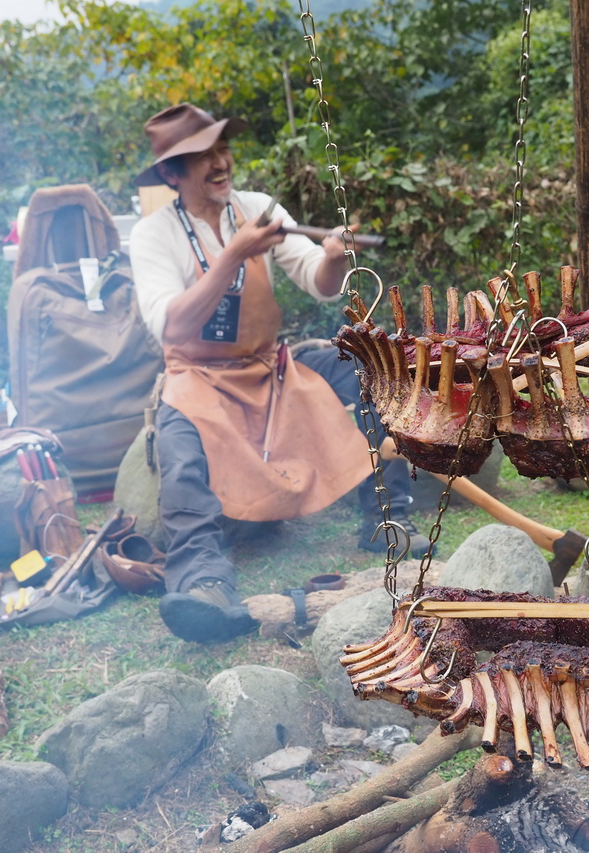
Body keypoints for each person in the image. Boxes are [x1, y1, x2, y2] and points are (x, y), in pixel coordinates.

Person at [129, 103, 429, 643]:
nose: (220, 163)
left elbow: (319, 279)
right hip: (198, 376)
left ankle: (389, 520)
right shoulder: (153, 235)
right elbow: (170, 325)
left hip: (270, 367)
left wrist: (335, 256)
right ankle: (202, 579)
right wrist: (235, 254)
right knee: (178, 452)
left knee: (375, 370)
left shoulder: (257, 207)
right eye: (202, 157)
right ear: (172, 174)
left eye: (222, 149)